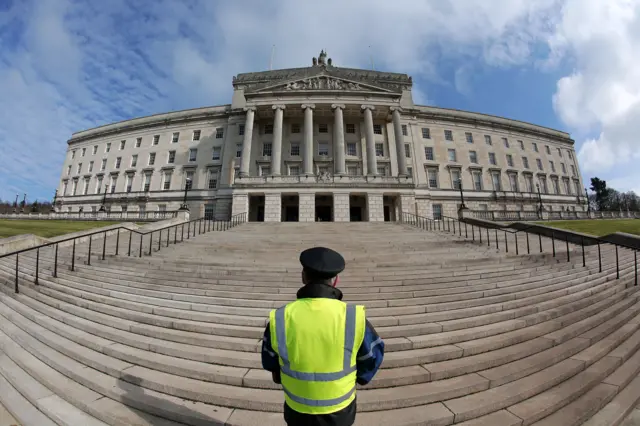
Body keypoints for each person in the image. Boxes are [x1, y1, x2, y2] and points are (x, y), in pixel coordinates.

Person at [261, 247, 385, 426]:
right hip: (340, 409)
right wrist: (358, 378)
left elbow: (270, 362)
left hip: (297, 409)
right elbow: (373, 356)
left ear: (303, 277)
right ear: (335, 280)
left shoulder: (280, 317)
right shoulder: (352, 316)